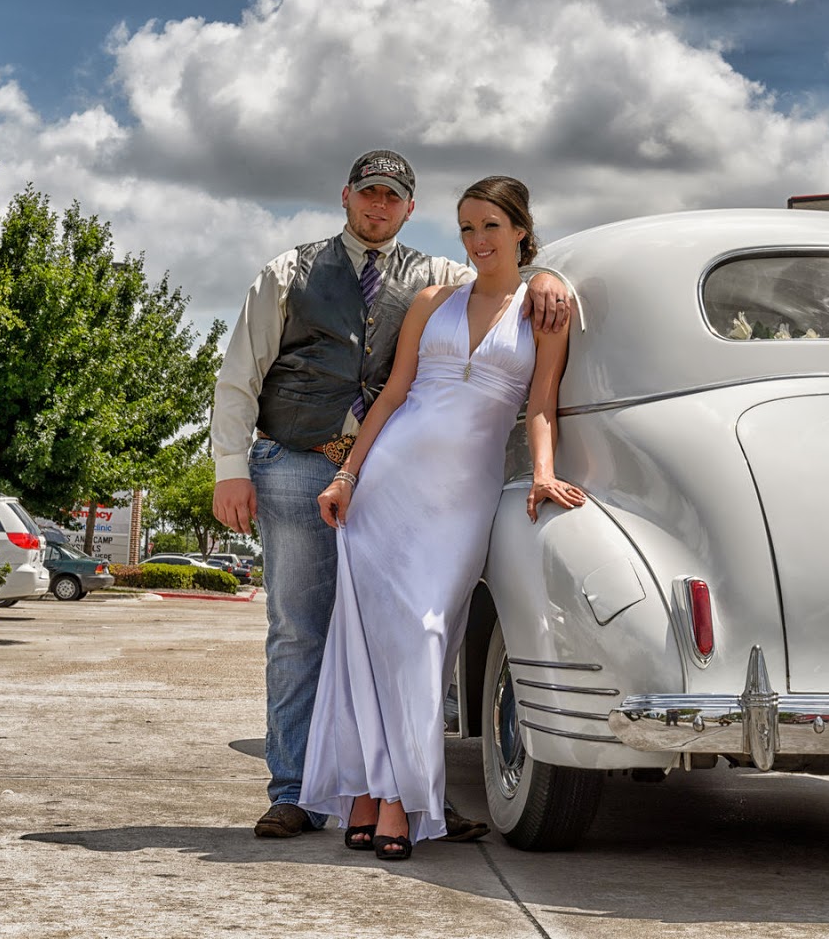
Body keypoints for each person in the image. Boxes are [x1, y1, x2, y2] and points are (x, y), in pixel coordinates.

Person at [211, 151, 572, 842]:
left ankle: (393, 792)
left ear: (409, 208)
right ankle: (296, 793)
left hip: (410, 480)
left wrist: (549, 272)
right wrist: (232, 465)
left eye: (394, 197)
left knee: (412, 635)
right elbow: (240, 371)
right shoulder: (289, 271)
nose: (379, 206)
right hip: (298, 462)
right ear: (346, 197)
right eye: (368, 193)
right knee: (304, 630)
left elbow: (506, 287)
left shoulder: (438, 275)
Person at [300, 176, 585, 860]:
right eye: (465, 228)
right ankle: (373, 795)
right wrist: (347, 475)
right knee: (367, 641)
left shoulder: (544, 308)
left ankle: (398, 793)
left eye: (490, 225)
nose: (476, 241)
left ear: (520, 227)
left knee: (426, 635)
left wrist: (544, 473)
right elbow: (394, 395)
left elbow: (541, 403)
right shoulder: (432, 301)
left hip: (461, 497)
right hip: (388, 484)